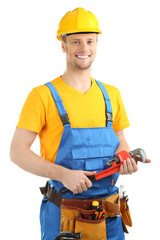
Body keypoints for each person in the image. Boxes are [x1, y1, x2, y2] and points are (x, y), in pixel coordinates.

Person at [10, 7, 151, 240]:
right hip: (64, 216)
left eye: (90, 41)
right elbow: (17, 152)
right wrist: (64, 175)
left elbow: (121, 141)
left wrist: (125, 158)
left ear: (97, 44)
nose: (84, 49)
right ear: (63, 45)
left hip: (110, 215)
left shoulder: (112, 94)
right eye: (76, 42)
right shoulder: (42, 96)